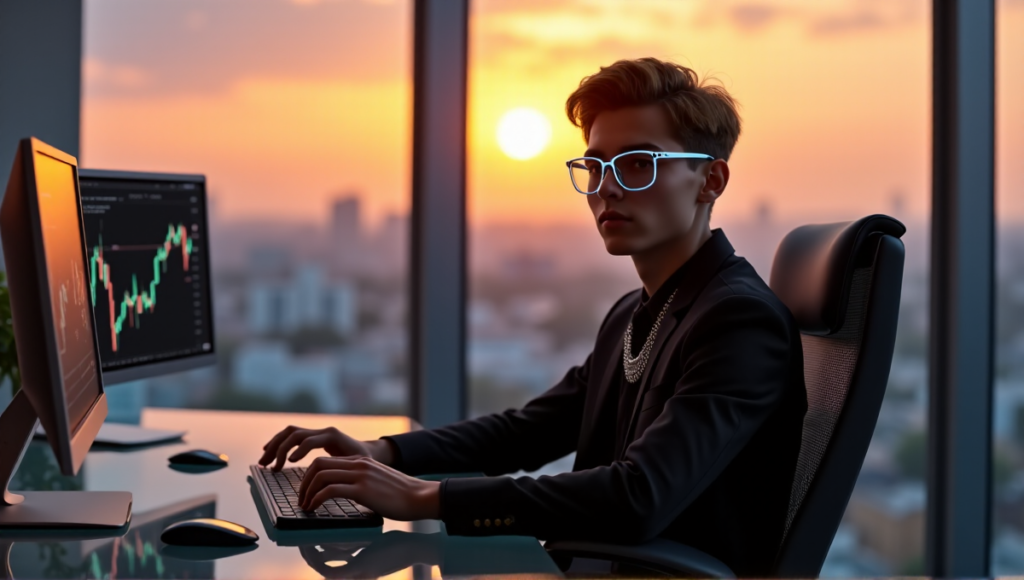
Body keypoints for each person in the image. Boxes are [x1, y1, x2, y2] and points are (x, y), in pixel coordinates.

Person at [259, 57, 807, 575]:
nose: (608, 188)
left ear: (711, 181)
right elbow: (527, 432)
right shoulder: (634, 312)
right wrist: (385, 453)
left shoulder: (738, 320)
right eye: (595, 166)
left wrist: (424, 496)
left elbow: (640, 496)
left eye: (638, 164)